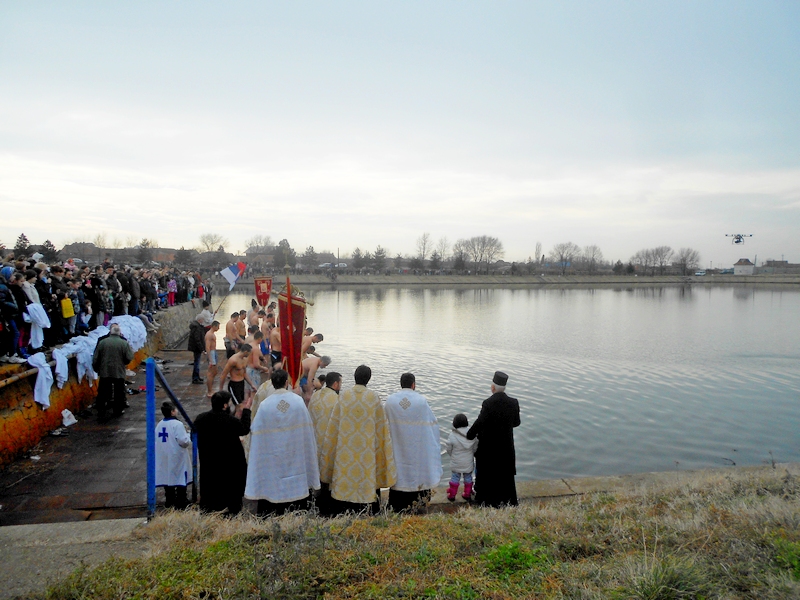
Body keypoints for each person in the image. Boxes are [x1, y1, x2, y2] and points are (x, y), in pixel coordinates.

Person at [318, 365, 396, 514]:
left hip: (345, 452)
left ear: (355, 377)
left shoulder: (344, 396)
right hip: (366, 453)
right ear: (369, 378)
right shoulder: (373, 397)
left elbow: (333, 429)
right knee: (366, 476)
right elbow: (382, 431)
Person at [245, 369, 320, 516]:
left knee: (273, 481)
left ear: (272, 383)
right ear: (287, 383)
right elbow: (308, 430)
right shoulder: (298, 402)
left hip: (273, 455)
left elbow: (256, 431)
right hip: (295, 452)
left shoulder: (265, 405)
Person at [383, 373, 443, 513]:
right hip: (417, 449)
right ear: (413, 384)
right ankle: (418, 505)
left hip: (397, 448)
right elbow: (432, 426)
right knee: (417, 475)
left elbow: (384, 426)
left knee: (399, 476)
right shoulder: (421, 401)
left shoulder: (390, 401)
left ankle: (396, 506)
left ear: (401, 384)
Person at [466, 371, 521, 507]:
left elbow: (480, 422)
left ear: (493, 387)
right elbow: (516, 422)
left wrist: (469, 435)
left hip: (489, 448)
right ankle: (507, 500)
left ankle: (486, 500)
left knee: (486, 473)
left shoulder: (488, 403)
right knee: (505, 476)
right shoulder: (513, 403)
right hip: (506, 447)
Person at [194, 390, 252, 515]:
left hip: (209, 463)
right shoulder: (231, 421)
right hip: (229, 464)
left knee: (211, 489)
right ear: (225, 405)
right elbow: (244, 429)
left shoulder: (201, 419)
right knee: (231, 492)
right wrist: (246, 410)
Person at [91, 323, 134, 420]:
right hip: (118, 371)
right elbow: (129, 357)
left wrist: (96, 368)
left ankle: (101, 409)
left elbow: (96, 358)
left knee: (103, 391)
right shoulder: (124, 343)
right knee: (119, 391)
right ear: (119, 333)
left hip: (105, 371)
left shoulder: (102, 342)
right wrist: (124, 363)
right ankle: (118, 410)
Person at [155, 401, 192, 509]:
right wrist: (189, 435)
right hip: (176, 455)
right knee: (180, 476)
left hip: (164, 454)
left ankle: (169, 500)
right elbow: (184, 441)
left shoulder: (160, 424)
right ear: (172, 412)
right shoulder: (177, 424)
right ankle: (181, 501)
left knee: (168, 477)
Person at [445, 413, 478, 502]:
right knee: (468, 477)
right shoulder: (471, 433)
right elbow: (475, 448)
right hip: (468, 462)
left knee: (455, 477)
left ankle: (452, 494)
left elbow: (448, 448)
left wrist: (452, 455)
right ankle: (467, 493)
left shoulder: (452, 435)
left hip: (456, 461)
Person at [187, 314, 206, 384]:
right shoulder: (197, 327)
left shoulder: (196, 326)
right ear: (199, 320)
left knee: (196, 362)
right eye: (202, 320)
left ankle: (197, 377)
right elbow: (197, 339)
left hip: (195, 347)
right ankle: (195, 378)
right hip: (196, 348)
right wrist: (202, 349)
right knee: (197, 363)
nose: (203, 321)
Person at [205, 320, 220, 398]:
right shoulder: (209, 334)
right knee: (211, 373)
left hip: (213, 352)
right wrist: (210, 359)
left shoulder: (211, 334)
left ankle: (211, 389)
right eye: (218, 326)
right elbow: (207, 347)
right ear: (214, 326)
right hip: (211, 353)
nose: (219, 328)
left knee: (215, 372)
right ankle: (209, 391)